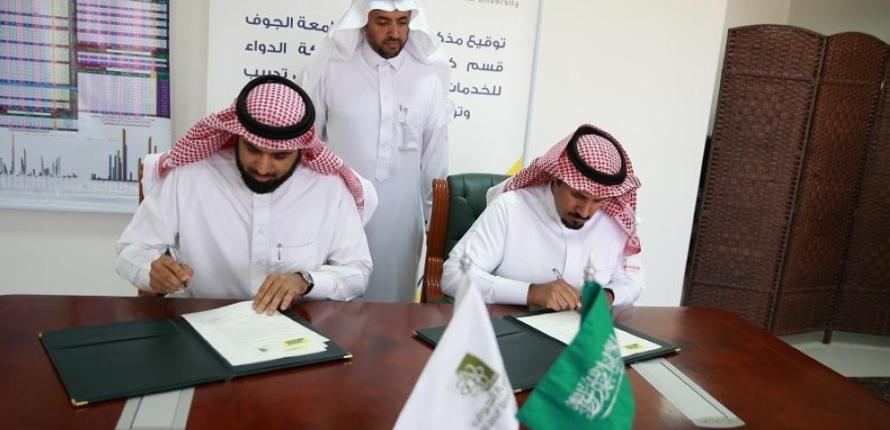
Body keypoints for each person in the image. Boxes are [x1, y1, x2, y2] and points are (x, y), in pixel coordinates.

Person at [115, 75, 372, 314]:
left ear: (301, 149)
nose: (262, 167)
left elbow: (357, 271)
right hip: (203, 320)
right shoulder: (190, 176)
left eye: (280, 155)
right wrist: (151, 270)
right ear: (237, 136)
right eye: (252, 149)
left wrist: (306, 281)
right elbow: (131, 249)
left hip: (297, 327)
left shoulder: (329, 188)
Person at [302, 0, 450, 302]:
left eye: (402, 22)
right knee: (335, 303)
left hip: (402, 219)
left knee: (394, 305)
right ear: (363, 21)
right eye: (382, 21)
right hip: (340, 211)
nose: (394, 32)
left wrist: (433, 222)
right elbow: (307, 142)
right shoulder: (332, 67)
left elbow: (435, 155)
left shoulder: (427, 76)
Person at [441, 124, 645, 310]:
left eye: (597, 200)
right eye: (578, 195)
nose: (585, 211)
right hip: (509, 330)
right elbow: (454, 275)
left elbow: (632, 281)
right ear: (556, 178)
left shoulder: (613, 220)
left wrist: (608, 295)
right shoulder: (511, 208)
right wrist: (530, 293)